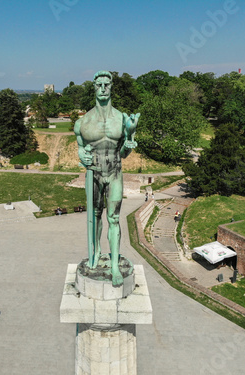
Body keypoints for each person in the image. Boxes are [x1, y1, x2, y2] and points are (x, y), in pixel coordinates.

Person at [74, 70, 139, 286]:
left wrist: (129, 145)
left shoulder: (122, 119)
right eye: (99, 84)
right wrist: (82, 156)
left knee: (113, 217)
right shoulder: (83, 122)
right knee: (94, 215)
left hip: (114, 172)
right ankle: (96, 251)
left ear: (111, 88)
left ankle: (113, 265)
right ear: (94, 87)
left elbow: (123, 153)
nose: (103, 88)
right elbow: (81, 151)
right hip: (93, 173)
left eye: (106, 85)